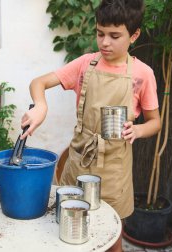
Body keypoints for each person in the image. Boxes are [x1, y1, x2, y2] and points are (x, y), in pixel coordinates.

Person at [20, 0, 161, 251]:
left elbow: (155, 122)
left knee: (111, 236)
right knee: (67, 231)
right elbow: (38, 82)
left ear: (134, 34)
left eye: (114, 36)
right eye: (100, 33)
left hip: (114, 168)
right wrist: (40, 106)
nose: (105, 42)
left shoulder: (142, 74)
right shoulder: (86, 64)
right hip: (79, 161)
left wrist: (138, 130)